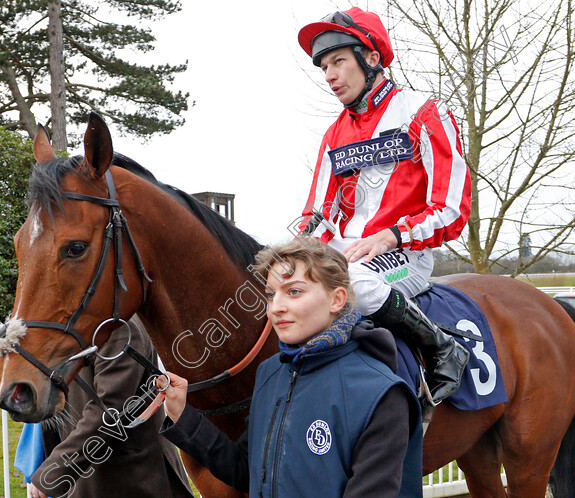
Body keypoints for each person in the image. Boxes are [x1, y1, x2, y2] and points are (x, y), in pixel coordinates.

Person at [296, 8, 471, 404]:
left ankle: (443, 347)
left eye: (338, 60)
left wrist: (392, 235)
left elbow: (453, 210)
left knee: (353, 283)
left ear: (371, 59)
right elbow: (317, 215)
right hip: (347, 249)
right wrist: (296, 251)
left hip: (407, 253)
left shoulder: (426, 113)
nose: (329, 75)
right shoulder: (334, 133)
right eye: (324, 66)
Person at [160, 239, 423, 497]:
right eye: (271, 295)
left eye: (294, 291)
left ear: (337, 299)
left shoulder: (382, 393)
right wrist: (182, 415)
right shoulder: (270, 373)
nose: (276, 308)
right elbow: (244, 470)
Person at [16, 317, 193, 498]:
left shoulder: (121, 326)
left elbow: (109, 409)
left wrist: (54, 472)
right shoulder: (67, 322)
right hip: (87, 473)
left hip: (133, 479)